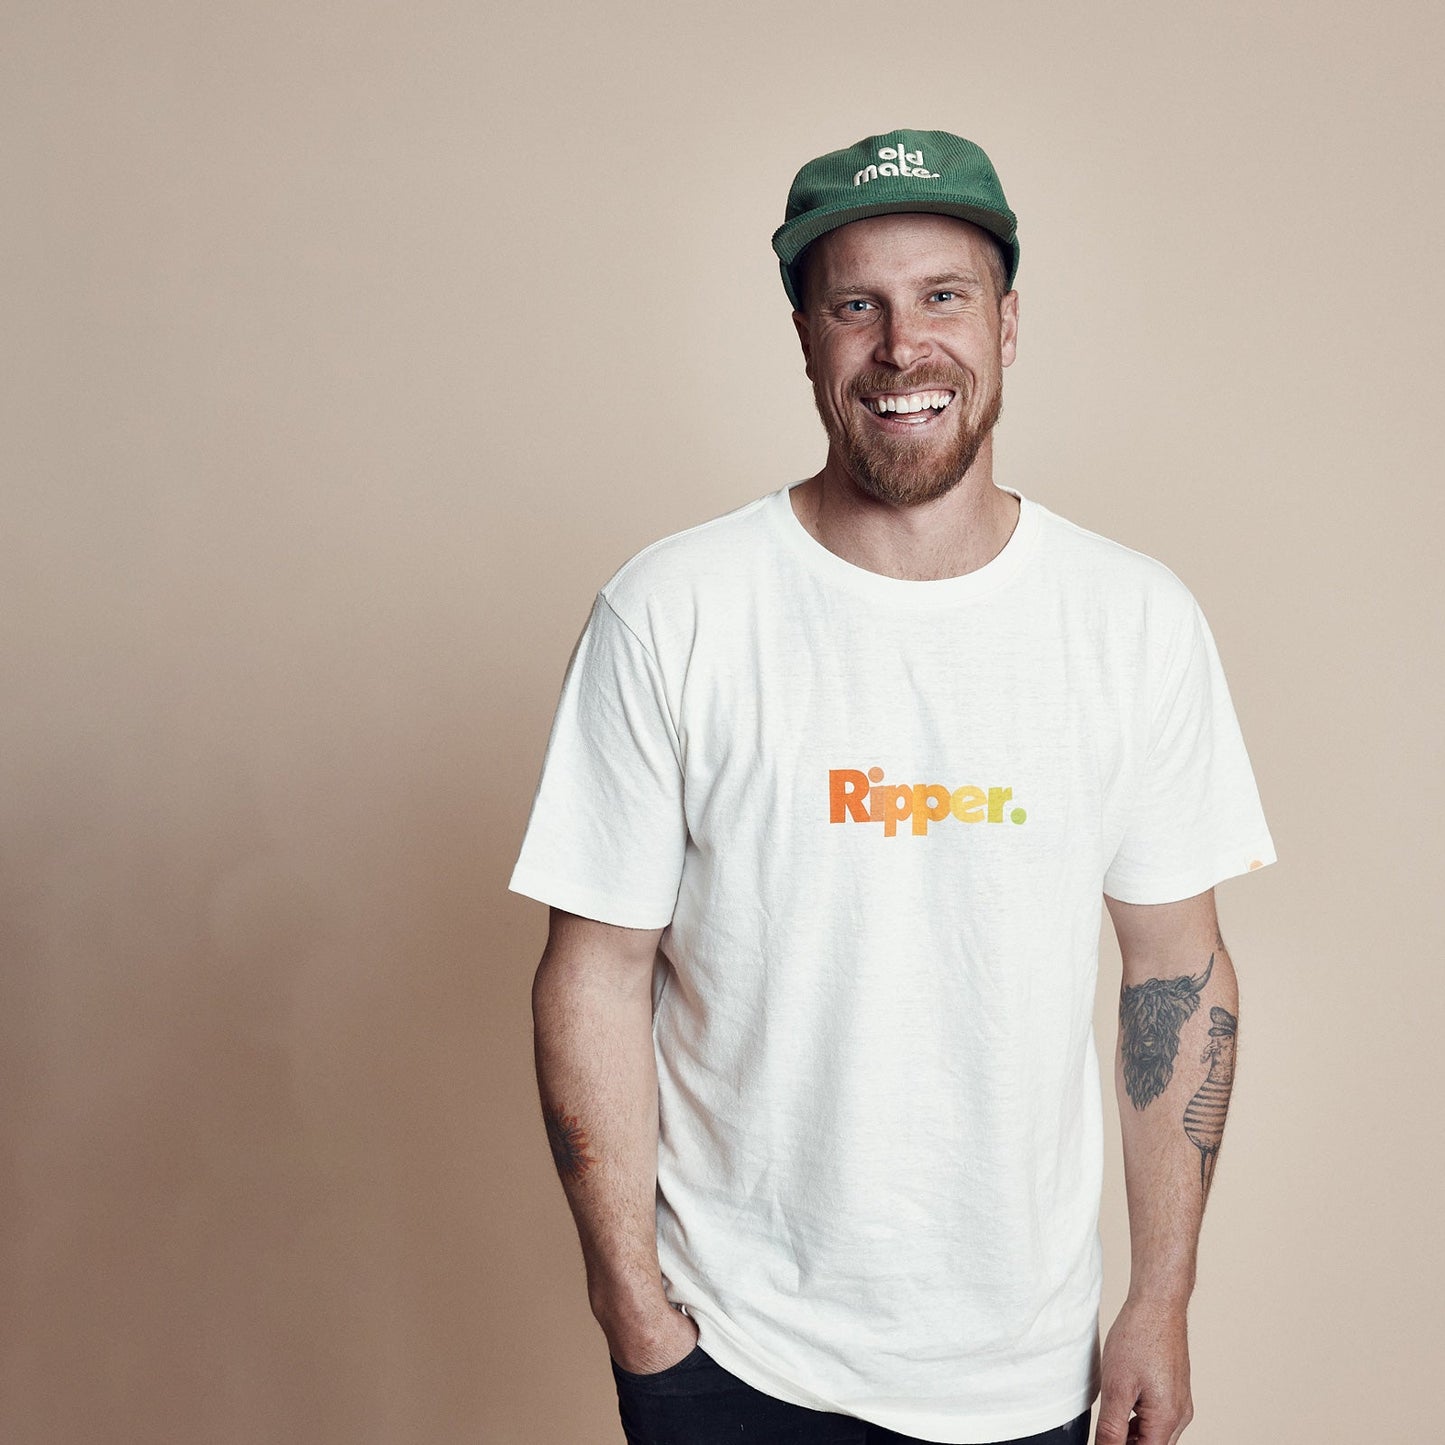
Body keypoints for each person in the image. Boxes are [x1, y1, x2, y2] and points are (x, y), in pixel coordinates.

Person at [510, 129, 1276, 1445]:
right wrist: (634, 1314)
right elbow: (594, 969)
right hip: (732, 1353)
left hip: (1023, 1369)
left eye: (942, 298)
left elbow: (1175, 970)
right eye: (854, 302)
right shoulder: (674, 610)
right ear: (805, 337)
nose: (899, 345)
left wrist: (1159, 1293)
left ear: (1007, 324)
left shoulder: (1130, 619)